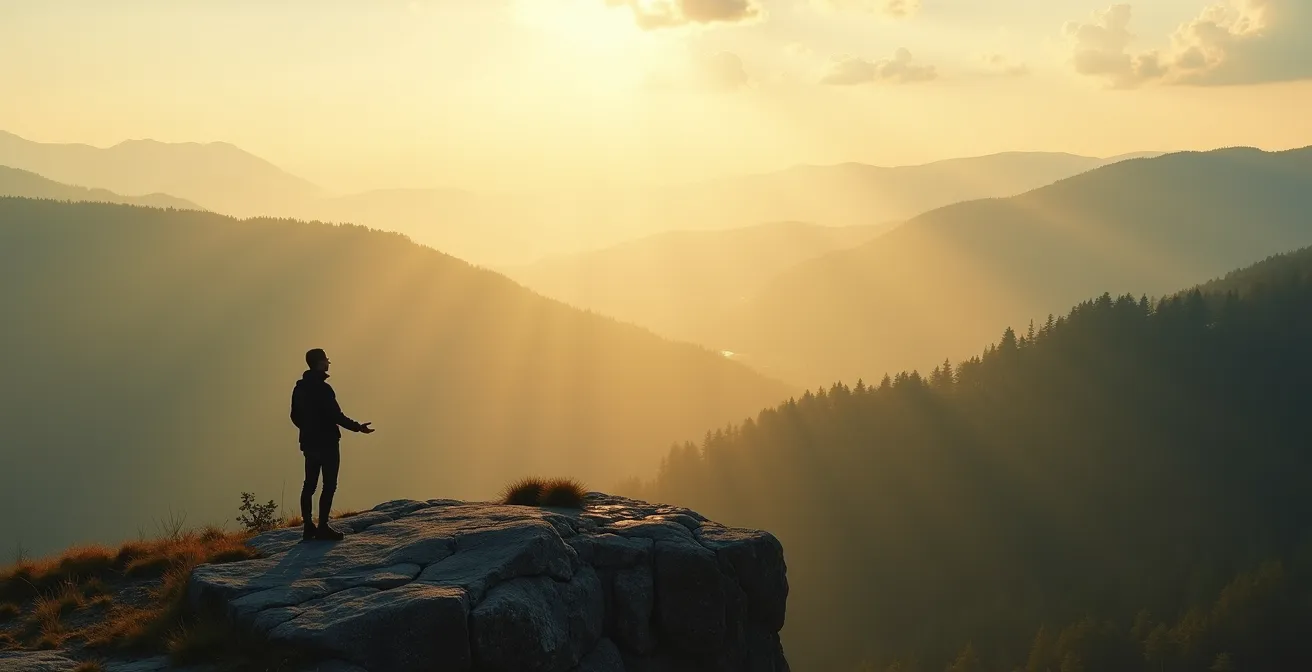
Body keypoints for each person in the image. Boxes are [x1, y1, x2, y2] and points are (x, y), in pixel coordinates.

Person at [290, 348, 374, 541]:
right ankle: (323, 527)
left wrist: (307, 430)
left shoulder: (299, 388)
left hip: (309, 443)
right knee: (329, 485)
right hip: (327, 443)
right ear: (320, 363)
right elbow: (336, 416)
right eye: (326, 360)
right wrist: (358, 427)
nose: (328, 363)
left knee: (309, 485)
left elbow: (294, 416)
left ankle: (308, 527)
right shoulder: (324, 389)